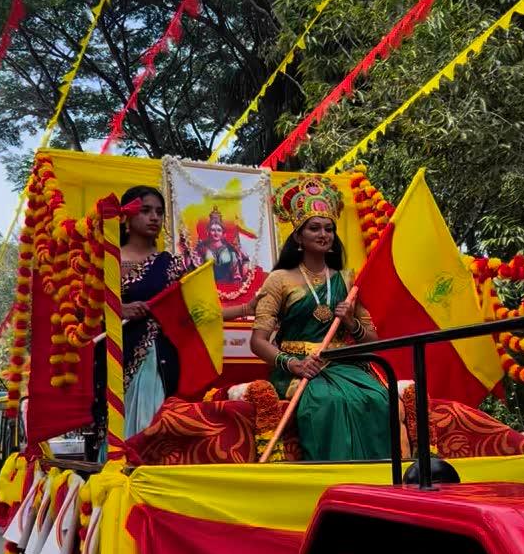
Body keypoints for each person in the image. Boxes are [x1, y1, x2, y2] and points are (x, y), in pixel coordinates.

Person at [93, 185, 256, 454]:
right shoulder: (104, 259)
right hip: (113, 356)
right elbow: (82, 307)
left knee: (151, 424)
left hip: (155, 359)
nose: (154, 217)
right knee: (111, 425)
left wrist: (245, 308)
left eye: (159, 212)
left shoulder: (170, 265)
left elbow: (199, 311)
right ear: (125, 216)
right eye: (145, 211)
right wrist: (119, 310)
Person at [251, 175, 391, 462]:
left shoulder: (347, 279)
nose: (323, 234)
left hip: (345, 366)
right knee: (326, 402)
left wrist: (351, 322)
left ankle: (378, 478)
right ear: (298, 236)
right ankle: (331, 477)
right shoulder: (279, 280)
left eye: (329, 228)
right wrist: (294, 364)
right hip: (299, 369)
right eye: (314, 228)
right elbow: (258, 341)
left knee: (378, 398)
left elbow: (373, 340)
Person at [194, 207, 251, 285]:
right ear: (208, 232)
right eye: (213, 230)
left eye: (219, 230)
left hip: (228, 288)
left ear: (223, 233)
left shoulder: (230, 250)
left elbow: (236, 273)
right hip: (207, 287)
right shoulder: (201, 250)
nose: (216, 233)